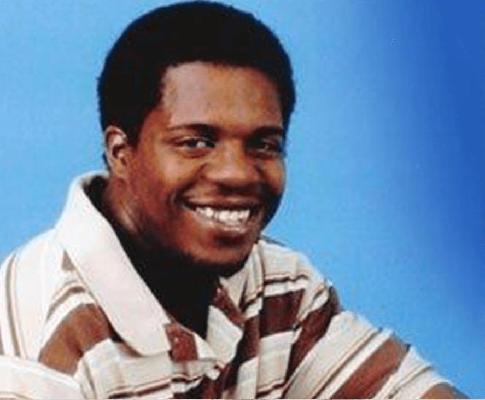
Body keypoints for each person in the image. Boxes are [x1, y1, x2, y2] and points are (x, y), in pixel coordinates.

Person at [0, 2, 464, 398]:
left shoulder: (279, 286)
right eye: (196, 142)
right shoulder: (45, 342)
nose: (237, 173)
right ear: (121, 152)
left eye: (264, 144)